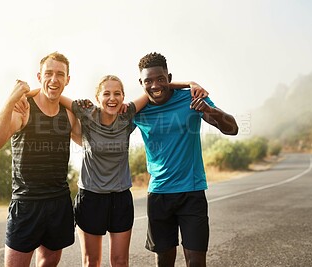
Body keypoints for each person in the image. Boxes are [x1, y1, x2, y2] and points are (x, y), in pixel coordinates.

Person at [20, 75, 208, 267]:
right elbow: (53, 94)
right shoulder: (85, 112)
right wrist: (25, 93)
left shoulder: (127, 115)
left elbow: (154, 88)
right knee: (91, 262)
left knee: (120, 262)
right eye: (106, 94)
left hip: (120, 199)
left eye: (117, 94)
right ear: (97, 98)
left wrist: (189, 83)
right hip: (91, 198)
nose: (112, 98)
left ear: (123, 97)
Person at [133, 52, 239, 267]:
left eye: (161, 79)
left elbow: (233, 129)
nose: (155, 85)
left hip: (191, 192)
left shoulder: (191, 98)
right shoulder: (138, 110)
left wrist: (211, 111)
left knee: (196, 261)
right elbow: (109, 124)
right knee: (164, 260)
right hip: (159, 194)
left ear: (169, 78)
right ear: (141, 83)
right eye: (148, 81)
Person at [0, 52, 81, 267]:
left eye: (60, 74)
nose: (54, 79)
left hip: (59, 202)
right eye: (48, 73)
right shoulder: (24, 108)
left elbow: (90, 141)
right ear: (39, 77)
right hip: (27, 204)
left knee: (49, 262)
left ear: (68, 79)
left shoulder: (68, 115)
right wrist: (11, 99)